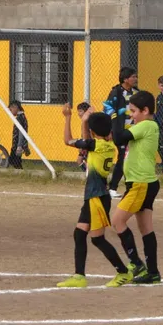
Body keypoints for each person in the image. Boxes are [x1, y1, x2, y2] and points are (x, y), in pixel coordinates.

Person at [56, 104, 132, 288]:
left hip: (97, 197)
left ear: (92, 130)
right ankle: (79, 276)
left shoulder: (95, 145)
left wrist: (67, 118)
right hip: (94, 197)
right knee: (79, 234)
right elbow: (87, 140)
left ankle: (123, 272)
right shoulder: (105, 145)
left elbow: (68, 140)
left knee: (97, 239)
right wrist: (85, 123)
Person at [110, 90, 162, 284]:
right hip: (142, 182)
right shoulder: (144, 126)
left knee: (117, 221)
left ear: (145, 110)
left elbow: (119, 137)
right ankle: (153, 271)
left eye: (133, 111)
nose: (131, 115)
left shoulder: (147, 124)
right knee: (145, 228)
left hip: (141, 183)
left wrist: (116, 115)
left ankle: (136, 262)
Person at [103, 67, 138, 199]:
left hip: (134, 132)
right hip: (120, 132)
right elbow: (107, 108)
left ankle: (131, 186)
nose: (135, 79)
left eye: (136, 77)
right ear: (125, 79)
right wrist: (111, 128)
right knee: (123, 157)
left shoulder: (136, 92)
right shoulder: (116, 92)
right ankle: (112, 187)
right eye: (133, 77)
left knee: (132, 159)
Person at [7, 100, 29, 170]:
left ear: (16, 108)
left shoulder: (20, 118)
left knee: (14, 161)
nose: (10, 112)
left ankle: (20, 172)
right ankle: (19, 171)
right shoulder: (22, 117)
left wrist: (19, 146)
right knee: (15, 161)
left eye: (11, 109)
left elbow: (21, 132)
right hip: (17, 144)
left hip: (17, 144)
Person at [75, 102, 91, 171]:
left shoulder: (88, 122)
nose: (79, 113)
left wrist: (84, 147)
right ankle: (87, 172)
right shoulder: (83, 122)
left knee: (87, 161)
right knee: (79, 160)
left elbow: (89, 135)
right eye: (78, 111)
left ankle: (89, 174)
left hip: (89, 144)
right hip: (84, 144)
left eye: (80, 111)